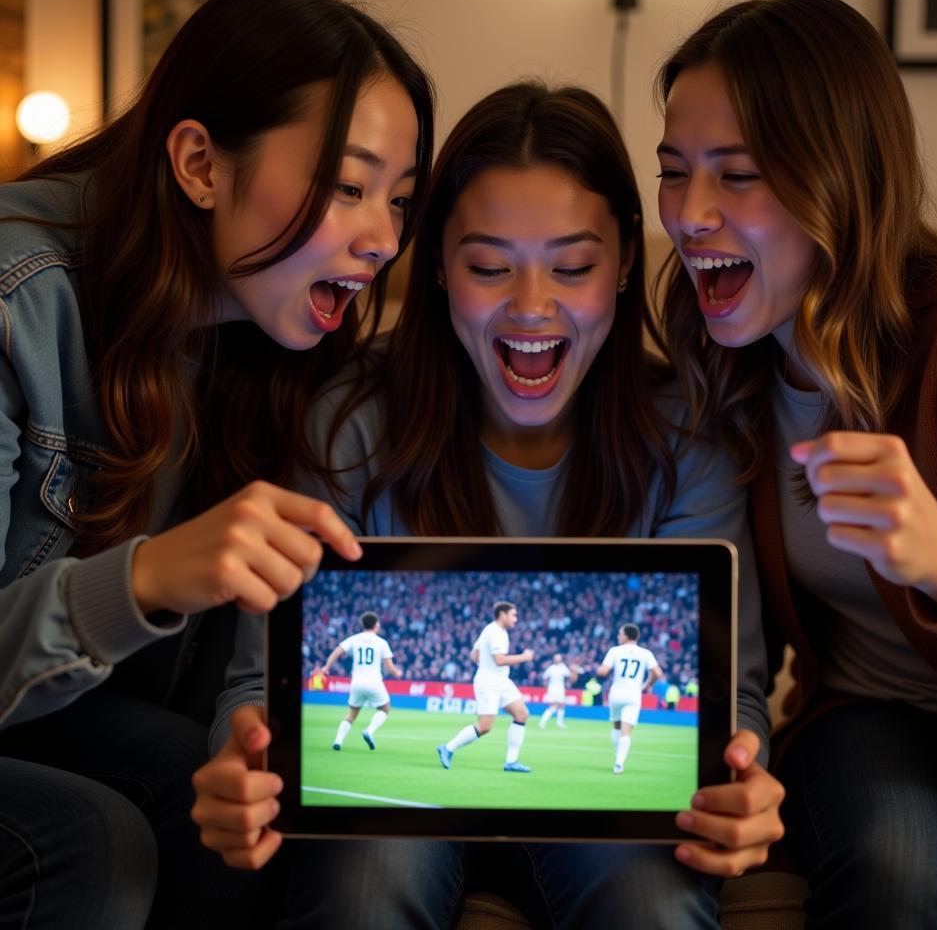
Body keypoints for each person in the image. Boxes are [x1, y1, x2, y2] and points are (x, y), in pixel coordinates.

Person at [197, 81, 783, 929]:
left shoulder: (688, 441)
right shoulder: (351, 424)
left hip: (608, 831)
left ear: (624, 262)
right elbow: (260, 674)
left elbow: (736, 702)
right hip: (397, 810)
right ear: (435, 265)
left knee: (652, 906)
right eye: (488, 266)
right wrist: (243, 753)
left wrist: (743, 773)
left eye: (574, 266)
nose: (533, 306)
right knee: (367, 885)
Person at [0, 0, 434, 929]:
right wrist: (148, 578)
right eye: (349, 186)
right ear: (200, 163)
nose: (381, 239)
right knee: (91, 837)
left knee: (244, 803)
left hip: (63, 711)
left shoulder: (275, 349)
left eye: (399, 201)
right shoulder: (18, 297)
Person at [655, 0, 937, 927]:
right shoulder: (715, 370)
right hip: (867, 728)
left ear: (839, 180)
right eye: (674, 171)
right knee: (898, 870)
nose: (689, 214)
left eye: (736, 174)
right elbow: (732, 635)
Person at [438, 600, 534, 772]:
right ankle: (448, 747)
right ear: (502, 614)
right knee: (485, 727)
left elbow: (474, 655)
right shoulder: (496, 632)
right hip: (489, 683)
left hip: (501, 680)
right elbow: (500, 660)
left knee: (522, 714)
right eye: (513, 615)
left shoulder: (490, 630)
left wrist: (486, 664)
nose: (516, 619)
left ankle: (511, 762)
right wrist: (524, 657)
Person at [320, 611, 402, 751]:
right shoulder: (382, 642)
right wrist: (397, 673)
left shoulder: (354, 639)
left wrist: (326, 667)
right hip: (374, 682)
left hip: (357, 682)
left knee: (351, 714)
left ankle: (338, 742)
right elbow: (389, 667)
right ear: (376, 625)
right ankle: (369, 731)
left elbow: (336, 652)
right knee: (385, 709)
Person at [597, 623, 662, 774]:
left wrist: (599, 669)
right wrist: (646, 685)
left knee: (616, 727)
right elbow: (657, 673)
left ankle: (617, 758)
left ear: (626, 635)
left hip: (616, 693)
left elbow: (603, 671)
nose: (618, 636)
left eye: (620, 634)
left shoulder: (615, 651)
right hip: (633, 694)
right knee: (626, 733)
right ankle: (619, 763)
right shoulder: (645, 653)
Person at [538, 651, 576, 728]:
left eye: (559, 658)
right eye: (556, 658)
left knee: (561, 705)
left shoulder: (563, 667)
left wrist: (574, 671)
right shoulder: (551, 668)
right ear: (554, 659)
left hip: (560, 688)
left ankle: (559, 722)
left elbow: (569, 677)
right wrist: (546, 684)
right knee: (553, 706)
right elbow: (544, 678)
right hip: (552, 689)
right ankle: (542, 722)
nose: (557, 659)